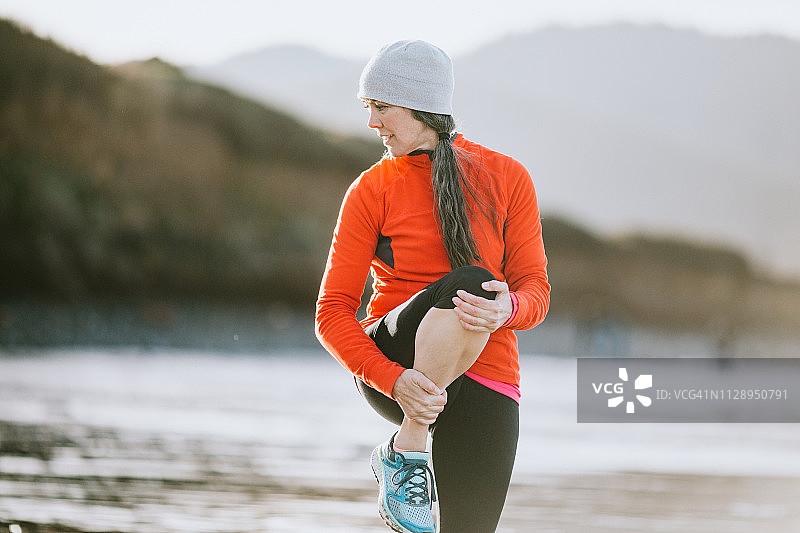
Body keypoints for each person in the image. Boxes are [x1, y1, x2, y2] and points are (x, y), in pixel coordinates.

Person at [315, 40, 549, 533]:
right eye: (368, 108)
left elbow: (535, 292)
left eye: (381, 107)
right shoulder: (370, 190)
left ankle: (409, 448)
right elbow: (332, 312)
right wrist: (393, 380)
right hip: (395, 365)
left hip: (488, 378)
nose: (372, 123)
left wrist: (507, 309)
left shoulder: (508, 178)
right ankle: (409, 446)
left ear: (421, 106)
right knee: (476, 281)